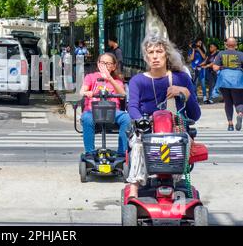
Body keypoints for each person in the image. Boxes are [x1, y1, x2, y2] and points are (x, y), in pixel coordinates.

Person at [127, 31, 201, 198]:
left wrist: (185, 92)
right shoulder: (138, 81)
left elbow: (195, 115)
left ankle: (174, 182)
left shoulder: (181, 77)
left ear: (167, 54)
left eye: (159, 51)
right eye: (150, 52)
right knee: (139, 142)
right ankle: (134, 188)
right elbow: (132, 107)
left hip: (176, 128)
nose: (155, 56)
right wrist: (141, 122)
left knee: (181, 143)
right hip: (148, 129)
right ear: (146, 57)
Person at [79, 53, 131, 160]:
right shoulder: (91, 77)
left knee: (126, 118)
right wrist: (87, 92)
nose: (105, 66)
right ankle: (90, 152)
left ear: (113, 66)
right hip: (93, 110)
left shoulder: (117, 81)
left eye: (108, 63)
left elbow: (122, 95)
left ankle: (121, 153)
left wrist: (110, 78)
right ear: (98, 64)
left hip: (112, 112)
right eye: (102, 63)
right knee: (87, 117)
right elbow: (82, 90)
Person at [212, 37, 243, 131]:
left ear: (226, 45)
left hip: (224, 81)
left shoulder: (221, 54)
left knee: (228, 102)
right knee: (239, 101)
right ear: (236, 45)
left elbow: (215, 68)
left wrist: (222, 67)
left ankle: (230, 125)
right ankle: (240, 114)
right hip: (237, 81)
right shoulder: (241, 54)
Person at [188, 38, 207, 103]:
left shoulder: (201, 49)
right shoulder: (191, 50)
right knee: (195, 83)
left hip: (201, 69)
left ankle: (204, 97)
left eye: (201, 43)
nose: (200, 44)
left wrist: (199, 49)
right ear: (195, 43)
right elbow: (191, 58)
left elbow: (204, 57)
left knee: (203, 83)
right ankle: (195, 97)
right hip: (194, 69)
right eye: (198, 43)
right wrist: (193, 49)